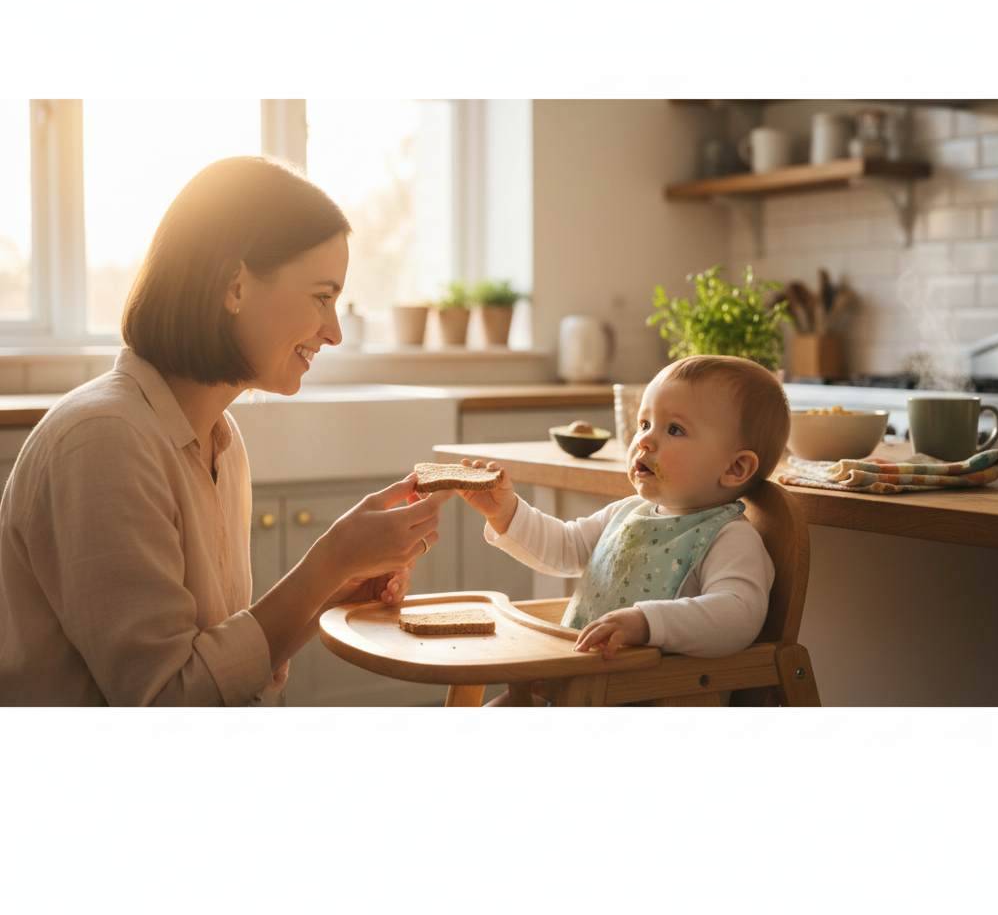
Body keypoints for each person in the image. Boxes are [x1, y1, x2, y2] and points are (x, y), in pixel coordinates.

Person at [0, 155, 452, 705]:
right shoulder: (103, 441)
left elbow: (220, 666)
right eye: (322, 297)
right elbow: (170, 702)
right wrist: (328, 560)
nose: (333, 332)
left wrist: (333, 591)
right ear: (233, 285)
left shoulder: (221, 439)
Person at [456, 354, 791, 701]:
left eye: (674, 429)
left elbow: (737, 615)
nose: (644, 441)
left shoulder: (729, 537)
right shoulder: (625, 512)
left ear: (736, 468)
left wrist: (646, 623)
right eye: (644, 424)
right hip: (576, 687)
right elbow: (564, 547)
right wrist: (507, 512)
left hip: (653, 699)